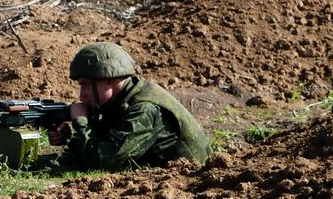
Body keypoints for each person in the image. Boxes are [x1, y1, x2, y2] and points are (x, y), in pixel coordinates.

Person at [50, 42, 212, 170]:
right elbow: (108, 141)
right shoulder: (124, 98)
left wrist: (81, 122)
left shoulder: (144, 109)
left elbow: (106, 162)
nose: (82, 95)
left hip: (189, 183)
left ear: (109, 79)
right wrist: (72, 138)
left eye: (85, 84)